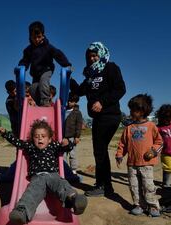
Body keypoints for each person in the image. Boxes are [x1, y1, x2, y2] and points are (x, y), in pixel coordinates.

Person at [0, 120, 87, 224]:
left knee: (62, 184)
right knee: (31, 193)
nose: (40, 138)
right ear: (33, 139)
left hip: (52, 175)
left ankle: (74, 199)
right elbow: (17, 142)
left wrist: (69, 143)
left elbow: (65, 148)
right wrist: (5, 134)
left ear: (49, 139)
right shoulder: (30, 147)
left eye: (43, 136)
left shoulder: (53, 146)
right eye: (36, 136)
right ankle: (23, 212)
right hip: (37, 177)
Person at [70, 42, 126, 197]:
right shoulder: (90, 74)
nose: (93, 59)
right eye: (90, 57)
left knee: (100, 151)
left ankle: (104, 186)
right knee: (100, 151)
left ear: (101, 54)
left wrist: (102, 102)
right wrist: (68, 77)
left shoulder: (111, 68)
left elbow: (120, 89)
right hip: (98, 118)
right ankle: (103, 184)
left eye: (95, 55)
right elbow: (79, 91)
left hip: (110, 115)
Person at [115, 94, 163, 217]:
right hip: (132, 163)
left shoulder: (151, 126)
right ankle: (139, 205)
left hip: (146, 164)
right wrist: (119, 154)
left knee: (148, 186)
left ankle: (153, 206)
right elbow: (123, 143)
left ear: (142, 111)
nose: (130, 112)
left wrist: (153, 151)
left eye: (133, 110)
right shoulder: (129, 128)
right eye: (130, 109)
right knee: (134, 186)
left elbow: (160, 142)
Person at [18, 21, 72, 107]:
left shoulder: (48, 47)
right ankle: (40, 103)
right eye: (34, 37)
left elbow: (58, 54)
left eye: (39, 37)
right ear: (30, 37)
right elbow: (25, 60)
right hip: (35, 73)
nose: (37, 40)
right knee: (33, 88)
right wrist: (21, 67)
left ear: (43, 35)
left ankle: (45, 101)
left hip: (46, 69)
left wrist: (66, 64)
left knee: (43, 82)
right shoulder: (28, 50)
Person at [64, 93, 83, 174]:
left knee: (72, 154)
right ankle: (64, 168)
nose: (69, 103)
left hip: (72, 136)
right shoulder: (63, 110)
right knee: (63, 154)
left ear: (75, 102)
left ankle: (73, 169)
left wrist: (77, 136)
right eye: (68, 101)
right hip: (63, 136)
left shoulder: (77, 112)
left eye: (71, 101)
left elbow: (79, 125)